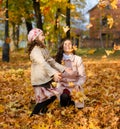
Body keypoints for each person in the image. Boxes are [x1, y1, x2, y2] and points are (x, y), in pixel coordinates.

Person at [27, 28, 66, 117]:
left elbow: (51, 61)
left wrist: (63, 69)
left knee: (50, 97)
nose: (44, 37)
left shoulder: (43, 48)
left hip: (45, 78)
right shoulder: (35, 51)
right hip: (39, 79)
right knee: (45, 98)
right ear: (35, 38)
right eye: (42, 35)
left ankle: (41, 112)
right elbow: (43, 63)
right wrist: (54, 73)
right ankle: (33, 115)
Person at [55, 38, 86, 109]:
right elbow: (55, 75)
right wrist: (57, 80)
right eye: (65, 44)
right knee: (64, 97)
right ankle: (66, 101)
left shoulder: (78, 59)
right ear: (62, 46)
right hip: (63, 86)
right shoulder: (58, 59)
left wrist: (78, 84)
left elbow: (82, 76)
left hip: (75, 85)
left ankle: (72, 101)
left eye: (69, 44)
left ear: (73, 46)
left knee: (79, 107)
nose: (67, 45)